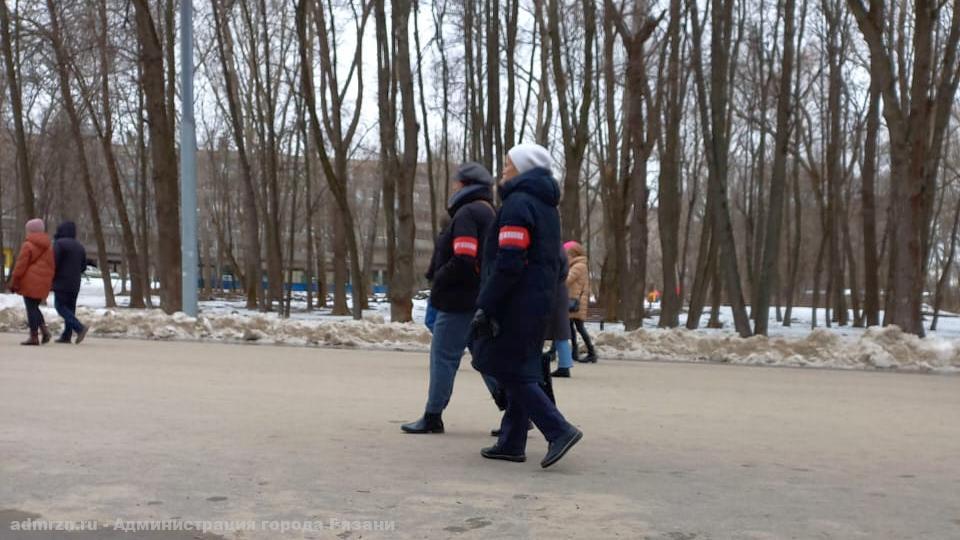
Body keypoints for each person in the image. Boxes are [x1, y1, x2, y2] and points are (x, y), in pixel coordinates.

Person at [471, 143, 583, 468]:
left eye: (508, 163)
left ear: (524, 169)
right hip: (538, 301)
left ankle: (558, 429)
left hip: (514, 302)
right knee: (521, 367)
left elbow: (509, 261)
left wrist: (487, 304)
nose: (503, 169)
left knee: (506, 368)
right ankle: (511, 441)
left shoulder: (518, 204)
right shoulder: (546, 206)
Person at [402, 162, 502, 434]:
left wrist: (439, 278)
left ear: (466, 185)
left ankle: (433, 416)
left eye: (457, 182)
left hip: (458, 299)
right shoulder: (488, 211)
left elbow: (464, 257)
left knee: (443, 357)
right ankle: (516, 410)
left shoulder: (468, 213)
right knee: (484, 358)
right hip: (477, 296)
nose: (453, 186)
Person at [8, 219, 56, 346]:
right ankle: (44, 331)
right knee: (34, 307)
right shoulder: (49, 246)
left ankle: (34, 336)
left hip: (30, 280)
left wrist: (14, 280)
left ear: (30, 230)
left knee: (31, 308)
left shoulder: (28, 245)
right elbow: (52, 265)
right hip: (43, 280)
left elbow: (20, 265)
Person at [52, 221, 89, 344]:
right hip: (75, 282)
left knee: (60, 306)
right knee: (70, 308)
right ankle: (67, 335)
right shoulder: (80, 246)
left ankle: (79, 328)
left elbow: (54, 263)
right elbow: (83, 266)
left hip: (61, 282)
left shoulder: (59, 244)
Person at [565, 241, 597, 363]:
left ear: (573, 254)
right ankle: (576, 352)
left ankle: (591, 352)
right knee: (572, 327)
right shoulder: (577, 265)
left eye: (568, 255)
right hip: (574, 301)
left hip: (575, 302)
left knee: (578, 327)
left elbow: (567, 280)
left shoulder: (578, 266)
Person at [547, 249, 574, 378]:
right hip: (559, 292)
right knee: (560, 333)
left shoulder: (552, 249)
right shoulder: (559, 250)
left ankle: (564, 365)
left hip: (553, 293)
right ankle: (565, 364)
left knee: (559, 333)